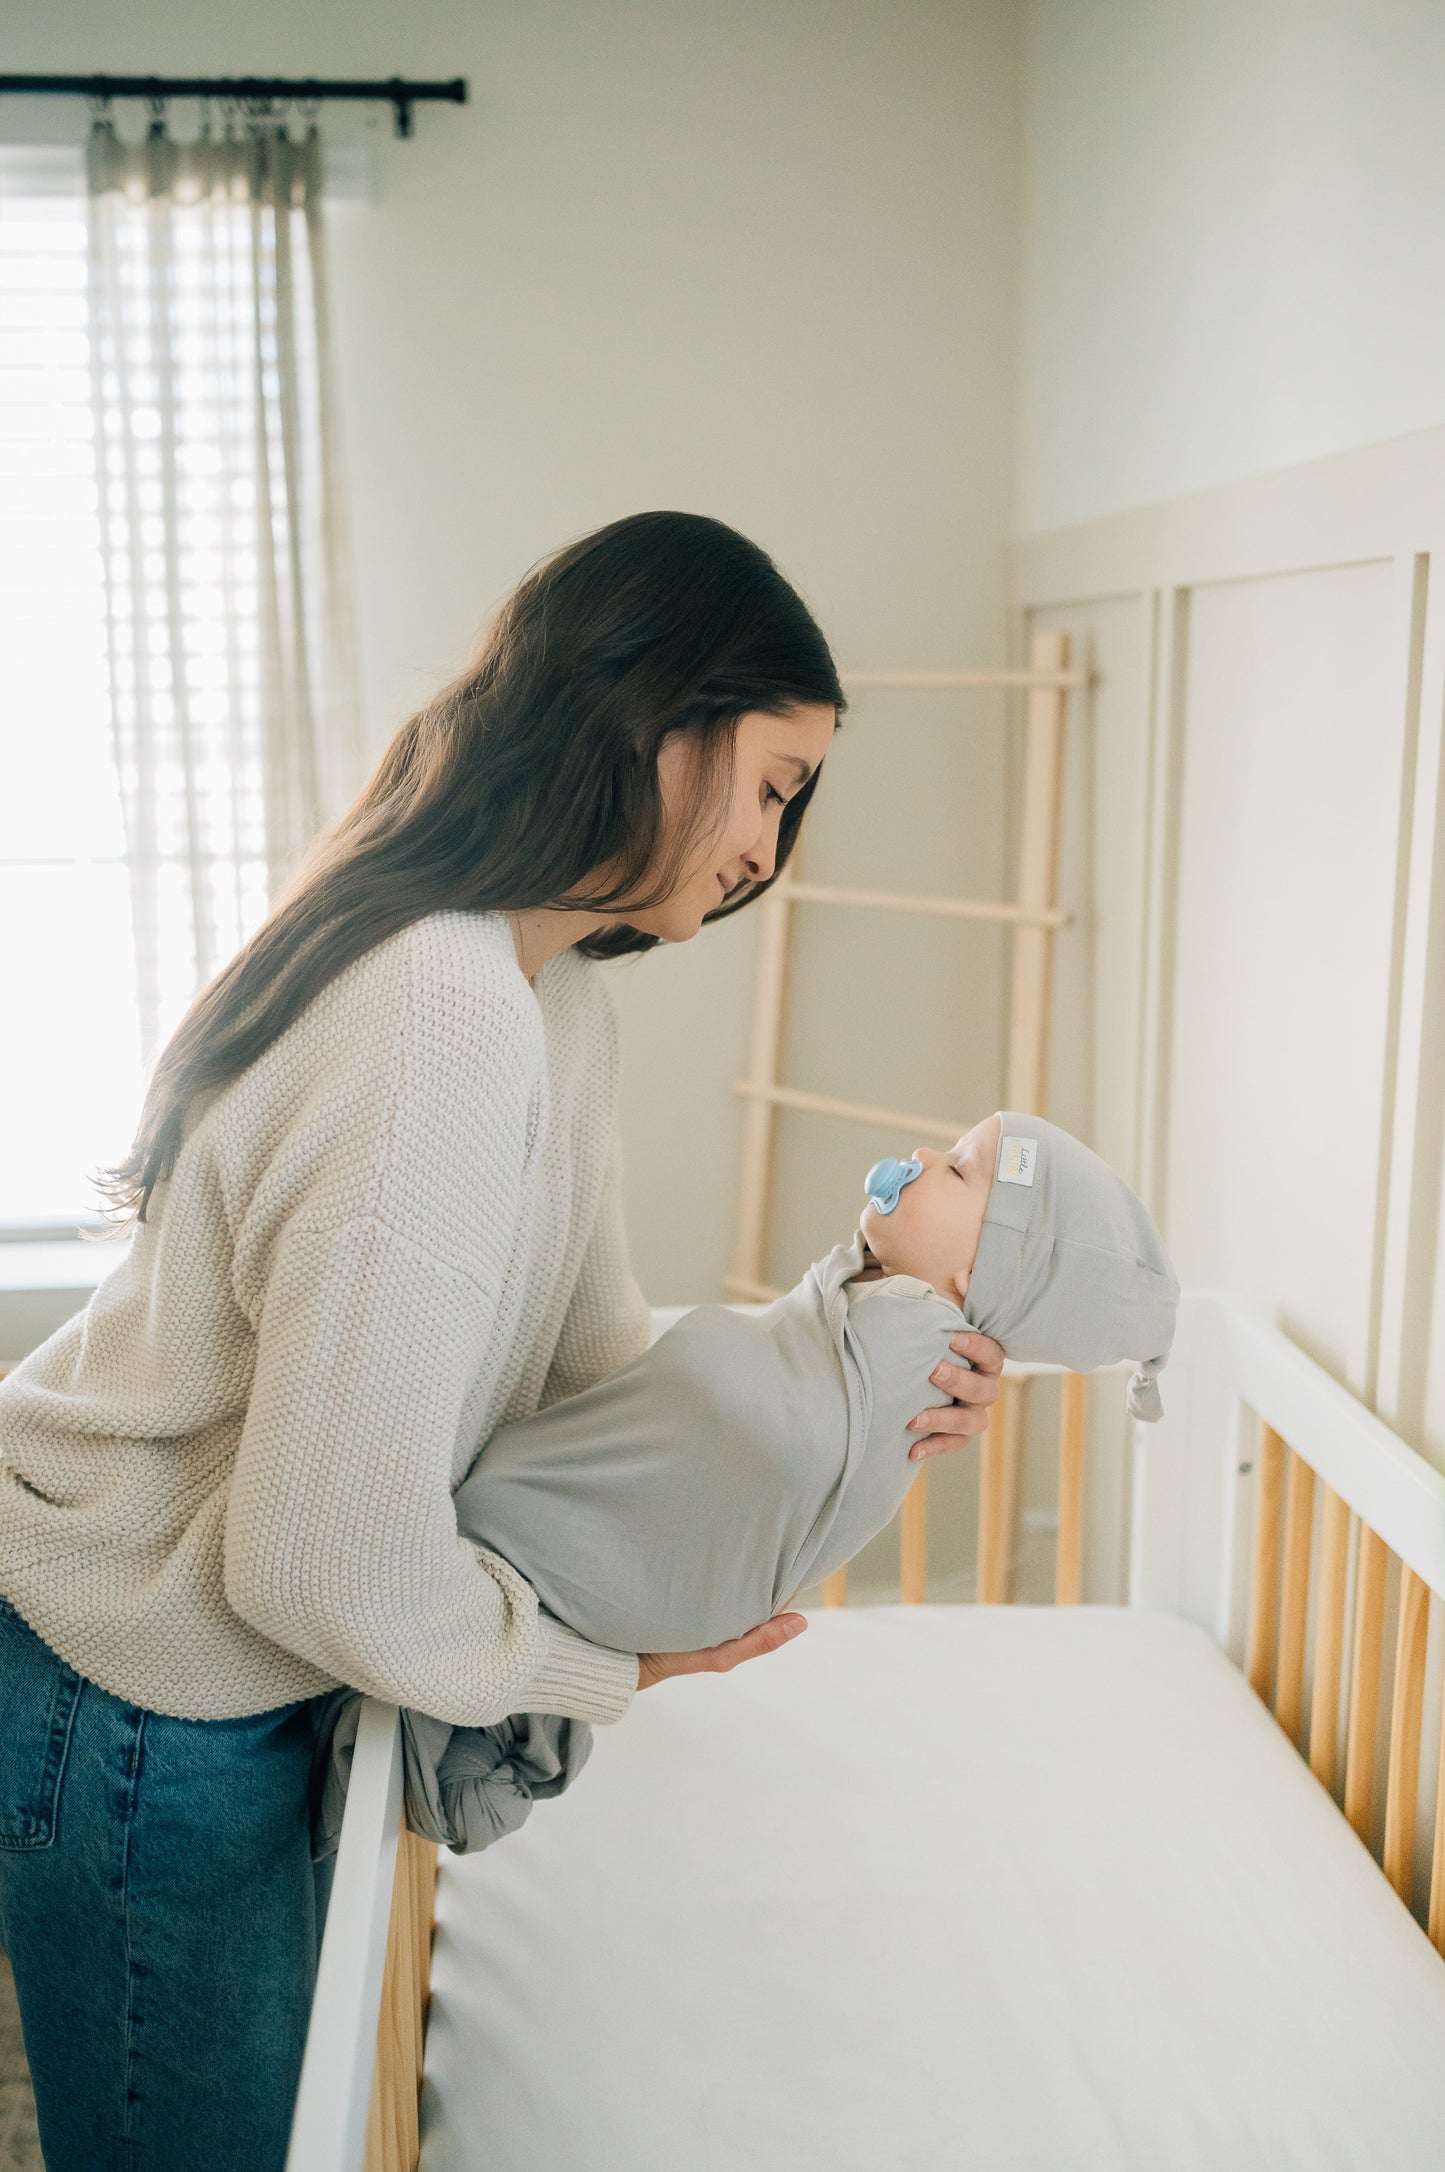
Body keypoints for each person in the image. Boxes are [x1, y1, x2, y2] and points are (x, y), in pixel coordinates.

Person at [0, 510, 1006, 2172]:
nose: (772, 846)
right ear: (650, 718)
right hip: (140, 1678)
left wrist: (854, 1351)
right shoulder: (439, 1013)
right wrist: (599, 1671)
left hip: (195, 1652)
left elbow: (588, 1348)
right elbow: (326, 1560)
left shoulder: (545, 1000)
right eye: (769, 781)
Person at [318, 1109, 1178, 1854]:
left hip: (670, 1571)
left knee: (516, 1515)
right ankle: (505, 1656)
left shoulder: (915, 1350)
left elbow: (795, 1432)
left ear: (979, 1281)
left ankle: (503, 1614)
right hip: (637, 1524)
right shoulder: (874, 1307)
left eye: (957, 1169)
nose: (918, 1158)